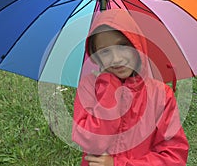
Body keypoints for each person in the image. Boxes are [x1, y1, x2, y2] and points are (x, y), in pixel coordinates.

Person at [72, 9, 189, 166]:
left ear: (137, 44)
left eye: (123, 46)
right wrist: (109, 89)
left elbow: (174, 157)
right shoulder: (89, 88)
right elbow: (92, 142)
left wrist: (118, 164)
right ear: (96, 56)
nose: (116, 58)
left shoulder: (160, 95)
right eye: (105, 51)